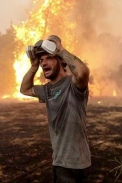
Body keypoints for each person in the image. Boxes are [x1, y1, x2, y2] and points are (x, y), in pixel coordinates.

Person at [20, 35, 91, 183]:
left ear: (61, 60)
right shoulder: (47, 90)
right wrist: (33, 66)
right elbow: (25, 89)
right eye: (41, 60)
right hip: (62, 163)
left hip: (75, 164)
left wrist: (60, 49)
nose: (43, 63)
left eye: (48, 58)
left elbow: (83, 72)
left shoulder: (73, 84)